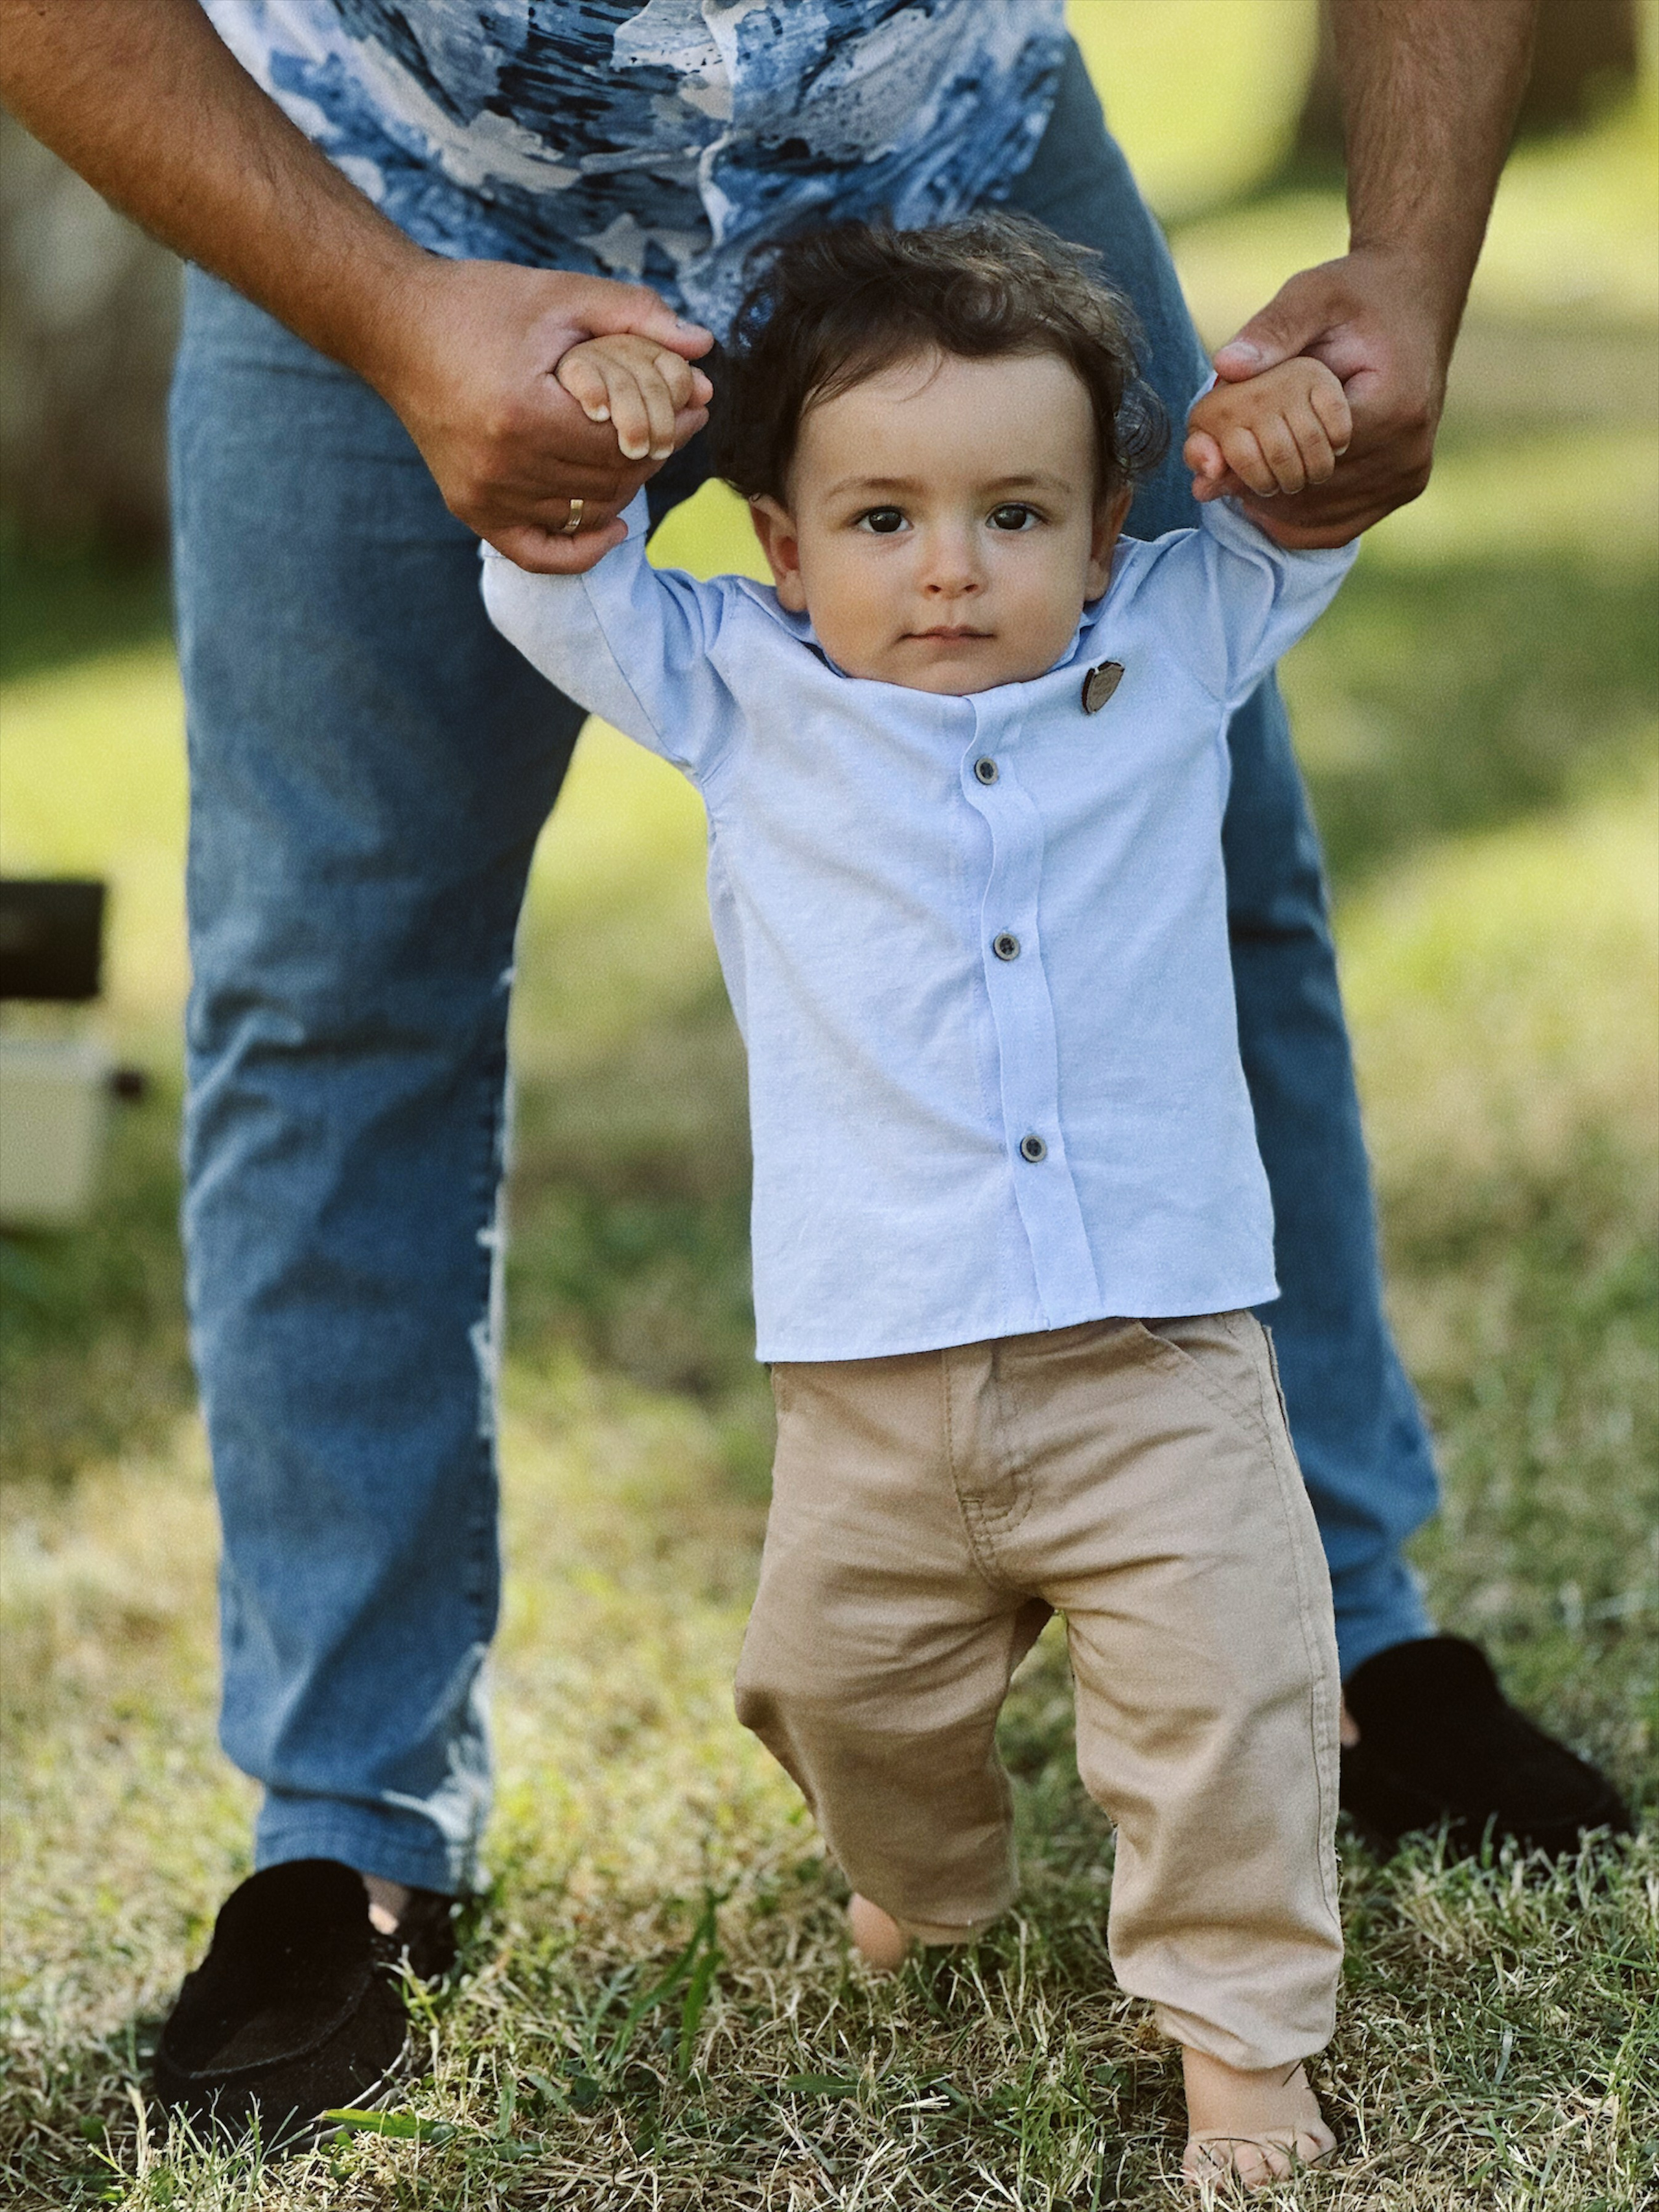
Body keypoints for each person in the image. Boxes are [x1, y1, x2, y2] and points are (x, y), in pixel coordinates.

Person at [0, 0, 1626, 2140]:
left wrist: (1408, 264)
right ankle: (349, 1830)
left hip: (950, 150)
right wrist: (393, 318)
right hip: (390, 197)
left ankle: (1344, 1645)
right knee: (331, 990)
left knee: (1216, 867)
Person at [485, 211, 1363, 2188]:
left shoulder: (1170, 646)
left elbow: (1308, 521)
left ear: (1104, 528)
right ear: (783, 547)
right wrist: (600, 441)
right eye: (880, 518)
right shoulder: (740, 685)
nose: (951, 564)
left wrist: (1301, 418)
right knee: (835, 1690)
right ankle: (927, 1879)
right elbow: (557, 589)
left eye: (1015, 513)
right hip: (875, 1366)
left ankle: (1242, 2051)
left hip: (1156, 1347)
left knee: (1230, 1704)